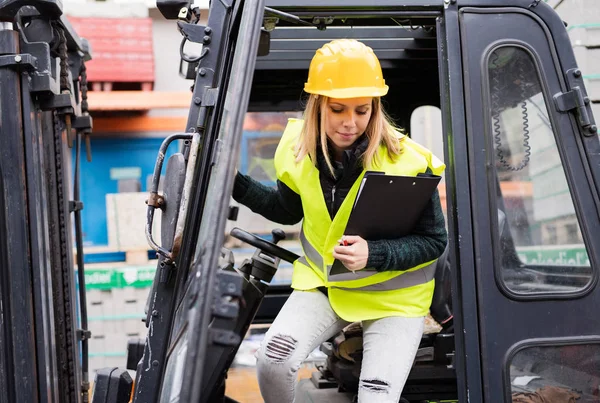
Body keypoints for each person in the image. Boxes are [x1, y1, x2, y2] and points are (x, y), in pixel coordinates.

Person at [232, 39, 447, 403]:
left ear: (375, 108)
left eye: (362, 111)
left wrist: (374, 254)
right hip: (326, 286)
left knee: (376, 397)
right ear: (318, 106)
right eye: (338, 110)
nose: (350, 123)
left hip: (394, 298)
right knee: (273, 360)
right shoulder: (298, 151)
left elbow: (433, 240)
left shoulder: (409, 163)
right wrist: (234, 184)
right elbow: (287, 210)